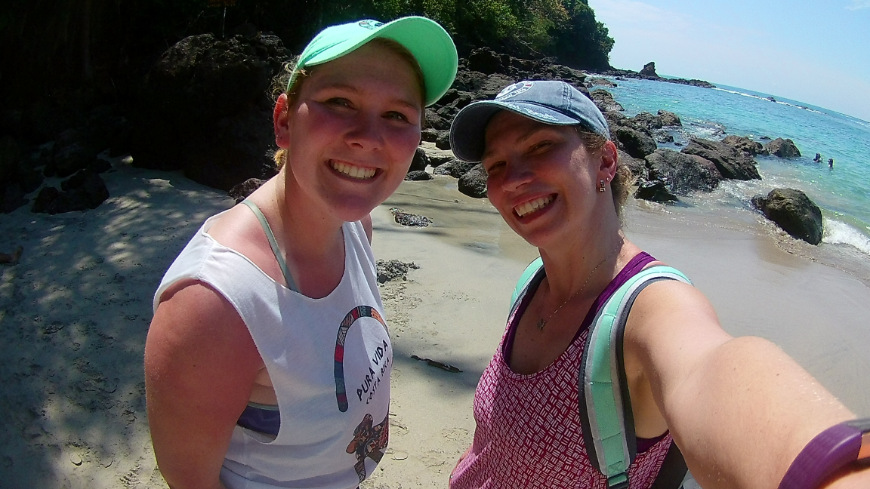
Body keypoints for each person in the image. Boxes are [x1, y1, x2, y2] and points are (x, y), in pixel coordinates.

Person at [446, 80, 870, 489]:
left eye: (540, 146)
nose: (513, 178)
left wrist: (835, 469)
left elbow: (711, 368)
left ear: (606, 162)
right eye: (495, 165)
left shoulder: (650, 312)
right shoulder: (531, 281)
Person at [144, 17, 457, 489]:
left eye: (396, 115)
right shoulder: (214, 303)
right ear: (285, 120)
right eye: (340, 102)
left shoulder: (355, 228)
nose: (368, 136)